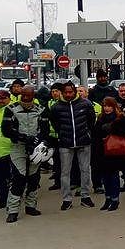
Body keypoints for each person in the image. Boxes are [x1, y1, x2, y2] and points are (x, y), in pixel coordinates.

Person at [0, 86, 50, 223]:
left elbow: (45, 130)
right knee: (18, 177)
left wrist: (39, 141)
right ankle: (13, 210)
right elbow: (6, 130)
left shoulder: (41, 110)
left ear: (33, 96)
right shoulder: (11, 109)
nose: (26, 98)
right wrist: (22, 137)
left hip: (36, 147)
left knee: (34, 178)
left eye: (29, 96)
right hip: (18, 147)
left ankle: (31, 206)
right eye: (24, 95)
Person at [50, 81, 96, 210]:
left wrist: (87, 133)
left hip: (84, 141)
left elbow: (91, 120)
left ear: (75, 92)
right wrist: (62, 134)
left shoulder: (85, 104)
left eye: (71, 92)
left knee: (85, 170)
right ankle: (66, 199)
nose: (68, 94)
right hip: (65, 143)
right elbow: (55, 123)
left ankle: (85, 196)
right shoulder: (56, 107)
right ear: (62, 93)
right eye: (66, 92)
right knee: (65, 172)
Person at [94, 97, 125, 211]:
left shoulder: (120, 117)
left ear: (114, 106)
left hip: (115, 151)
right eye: (105, 106)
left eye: (109, 106)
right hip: (103, 151)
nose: (106, 108)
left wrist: (111, 127)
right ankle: (108, 198)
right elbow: (96, 133)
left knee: (114, 176)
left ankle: (115, 199)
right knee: (105, 177)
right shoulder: (100, 118)